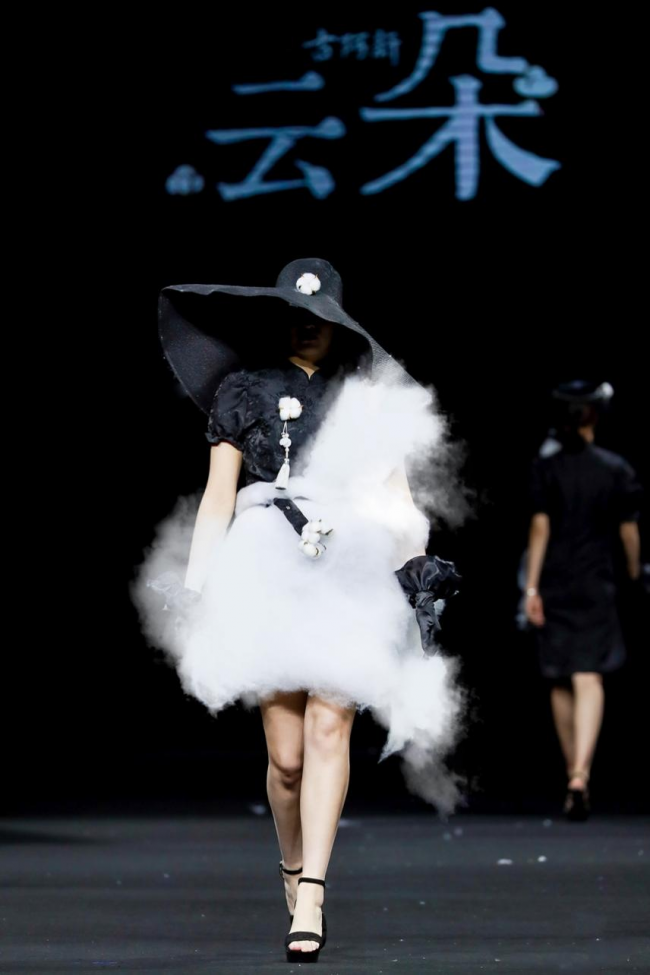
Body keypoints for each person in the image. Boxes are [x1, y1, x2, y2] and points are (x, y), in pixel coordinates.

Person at [133, 258, 466, 962]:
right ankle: (291, 867)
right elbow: (218, 496)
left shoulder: (367, 399)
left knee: (328, 726)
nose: (307, 325)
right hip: (267, 566)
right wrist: (197, 588)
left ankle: (312, 890)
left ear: (341, 322)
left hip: (350, 568)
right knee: (284, 760)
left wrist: (415, 564)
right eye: (295, 313)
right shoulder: (242, 388)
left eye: (320, 316)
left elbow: (396, 497)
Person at [524, 381, 642, 821]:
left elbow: (540, 529)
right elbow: (629, 532)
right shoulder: (615, 469)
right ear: (595, 416)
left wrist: (531, 589)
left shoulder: (546, 468)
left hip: (556, 582)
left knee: (560, 678)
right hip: (596, 582)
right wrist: (634, 572)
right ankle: (580, 774)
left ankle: (572, 772)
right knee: (588, 676)